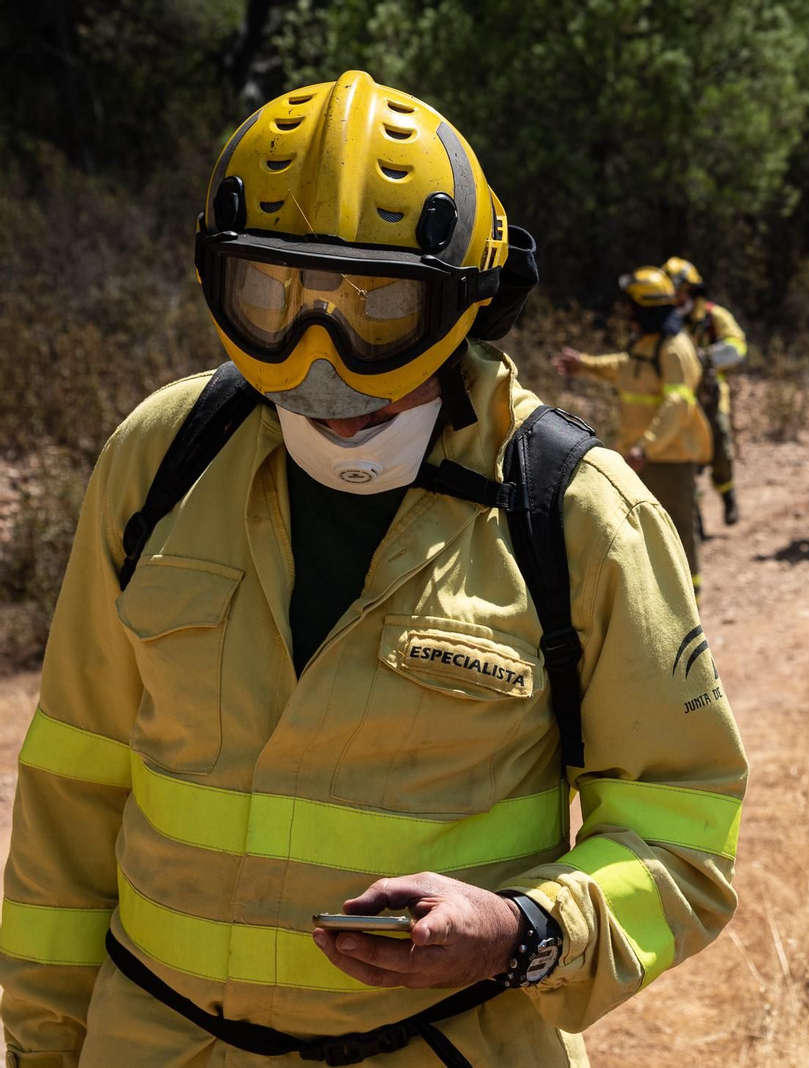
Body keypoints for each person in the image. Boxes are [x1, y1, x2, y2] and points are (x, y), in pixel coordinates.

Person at [0, 71, 746, 1068]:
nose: (319, 358)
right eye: (271, 294)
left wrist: (526, 931)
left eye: (378, 306)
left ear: (468, 298)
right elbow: (73, 786)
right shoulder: (162, 456)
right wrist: (45, 1045)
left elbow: (683, 837)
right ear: (217, 278)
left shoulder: (574, 514)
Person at [555, 266, 714, 599]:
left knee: (677, 535)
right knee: (640, 536)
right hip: (639, 458)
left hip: (667, 461)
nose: (626, 313)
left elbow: (677, 406)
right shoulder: (646, 343)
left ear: (646, 309)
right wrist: (584, 364)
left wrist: (647, 447)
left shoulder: (674, 349)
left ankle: (689, 606)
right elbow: (625, 369)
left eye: (631, 306)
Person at [663, 256, 747, 526]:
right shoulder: (663, 323)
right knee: (683, 457)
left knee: (720, 446)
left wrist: (704, 357)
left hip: (712, 397)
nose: (676, 299)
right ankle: (695, 513)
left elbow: (738, 348)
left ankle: (728, 494)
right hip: (677, 400)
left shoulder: (714, 316)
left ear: (692, 290)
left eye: (680, 292)